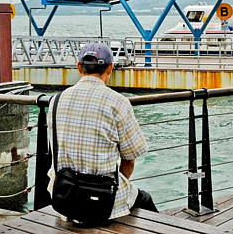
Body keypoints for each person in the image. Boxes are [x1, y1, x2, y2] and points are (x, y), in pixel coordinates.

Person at [48, 42, 157, 221]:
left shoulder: (56, 100)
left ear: (79, 68)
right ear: (111, 68)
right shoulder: (118, 102)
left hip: (64, 197)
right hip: (101, 200)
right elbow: (129, 160)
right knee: (145, 199)